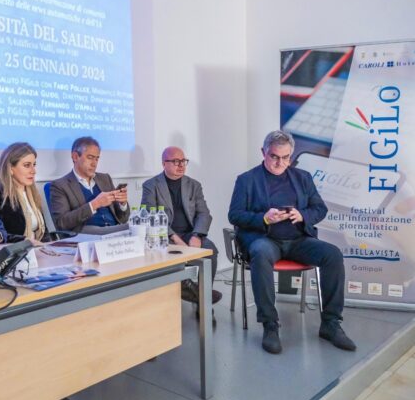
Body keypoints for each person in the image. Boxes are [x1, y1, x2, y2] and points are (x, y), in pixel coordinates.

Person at [228, 130, 356, 354]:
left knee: (333, 254)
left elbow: (320, 209)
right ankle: (270, 325)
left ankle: (331, 323)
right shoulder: (247, 180)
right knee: (260, 252)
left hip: (298, 240)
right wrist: (264, 218)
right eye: (274, 157)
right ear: (263, 152)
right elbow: (235, 215)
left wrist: (302, 215)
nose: (280, 163)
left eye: (286, 157)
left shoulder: (302, 177)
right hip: (266, 239)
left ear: (291, 155)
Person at [141, 146, 223, 307]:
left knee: (210, 250)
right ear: (164, 163)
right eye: (176, 161)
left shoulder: (194, 185)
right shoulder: (151, 185)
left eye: (183, 161)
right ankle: (203, 298)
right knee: (169, 258)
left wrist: (197, 235)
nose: (181, 165)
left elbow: (204, 213)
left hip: (190, 234)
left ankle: (203, 303)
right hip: (164, 237)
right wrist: (174, 237)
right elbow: (150, 215)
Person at [48, 136, 129, 233]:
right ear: (75, 157)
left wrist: (122, 204)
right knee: (132, 228)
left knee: (136, 226)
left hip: (112, 231)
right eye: (90, 158)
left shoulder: (105, 179)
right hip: (86, 233)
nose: (94, 164)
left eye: (97, 159)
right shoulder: (60, 186)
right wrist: (95, 204)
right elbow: (62, 223)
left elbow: (122, 219)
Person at [0, 142, 48, 244]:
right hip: (16, 250)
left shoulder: (32, 193)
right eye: (27, 165)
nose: (33, 171)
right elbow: (0, 234)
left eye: (34, 165)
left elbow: (44, 233)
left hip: (38, 249)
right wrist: (25, 241)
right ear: (10, 168)